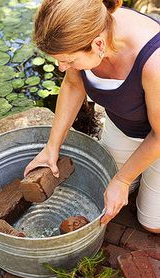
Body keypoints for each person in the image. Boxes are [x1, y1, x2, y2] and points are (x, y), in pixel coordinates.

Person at [24, 0, 160, 233]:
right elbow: (73, 86)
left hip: (156, 137)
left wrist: (122, 180)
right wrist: (51, 148)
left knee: (151, 225)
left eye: (68, 60)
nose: (62, 68)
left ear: (98, 45)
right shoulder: (88, 28)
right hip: (123, 125)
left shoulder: (154, 64)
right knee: (101, 191)